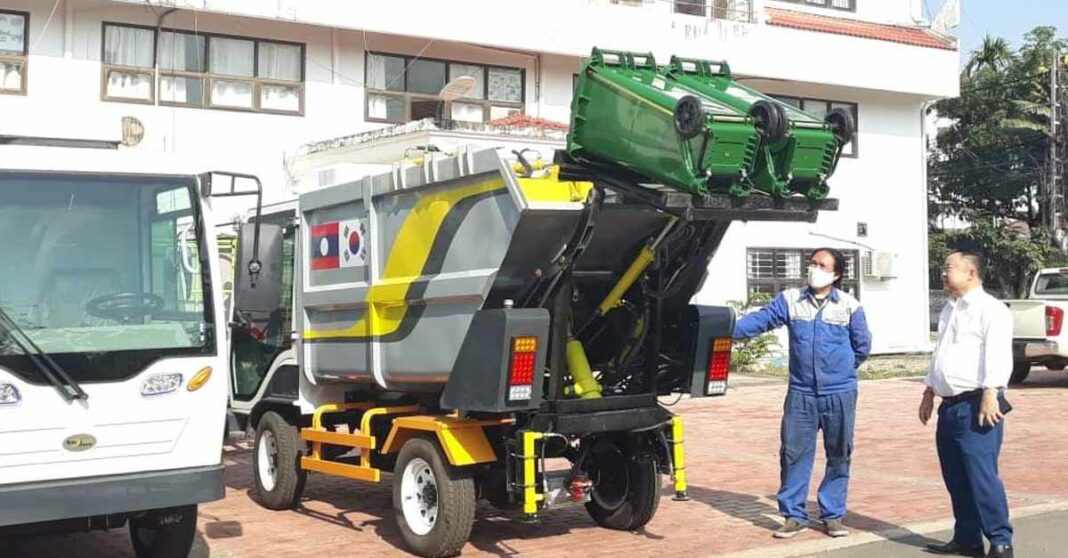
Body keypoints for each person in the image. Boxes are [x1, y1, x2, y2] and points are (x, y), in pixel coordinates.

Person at [734, 247, 871, 539]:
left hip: (840, 393)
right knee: (794, 453)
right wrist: (724, 330)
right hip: (801, 394)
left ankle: (832, 516)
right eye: (812, 263)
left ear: (836, 274)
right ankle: (794, 516)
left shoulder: (849, 305)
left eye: (822, 265)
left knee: (839, 454)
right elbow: (760, 321)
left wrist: (842, 370)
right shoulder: (790, 300)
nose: (814, 268)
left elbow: (862, 346)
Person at [921, 250, 1014, 558]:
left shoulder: (991, 309)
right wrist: (929, 391)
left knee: (981, 476)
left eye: (949, 268)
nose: (943, 274)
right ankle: (967, 539)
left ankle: (1000, 540)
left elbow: (998, 353)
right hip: (949, 406)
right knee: (956, 477)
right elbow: (940, 353)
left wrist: (991, 391)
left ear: (971, 272)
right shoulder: (950, 308)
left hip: (977, 404)